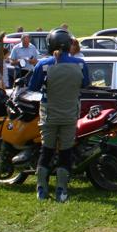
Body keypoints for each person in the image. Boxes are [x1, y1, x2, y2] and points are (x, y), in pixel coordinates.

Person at [28, 29, 89, 202]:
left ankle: (41, 188)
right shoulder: (80, 64)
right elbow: (85, 84)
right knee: (65, 152)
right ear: (69, 45)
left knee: (46, 151)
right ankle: (62, 189)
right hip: (70, 113)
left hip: (49, 114)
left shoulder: (44, 65)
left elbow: (33, 87)